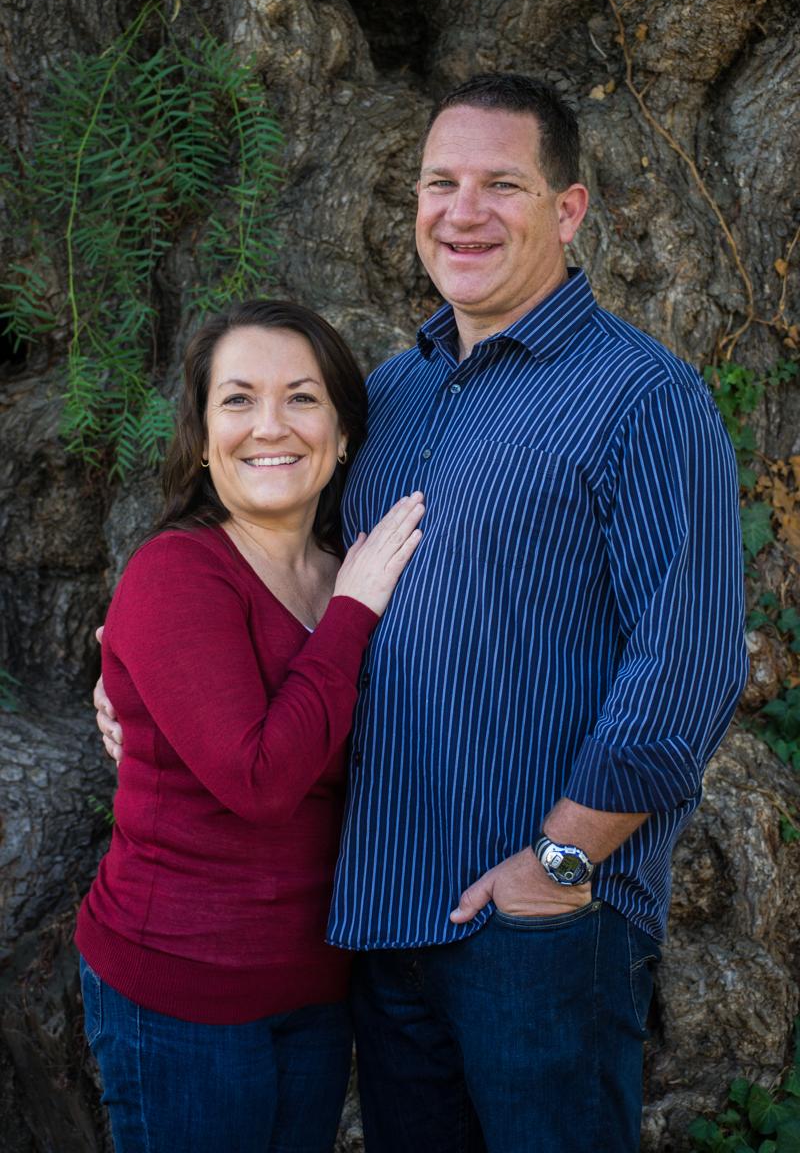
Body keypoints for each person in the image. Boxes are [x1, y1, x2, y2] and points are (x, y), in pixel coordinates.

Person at [97, 74, 748, 1152]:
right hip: (382, 912)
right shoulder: (388, 395)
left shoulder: (644, 398)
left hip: (535, 923)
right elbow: (268, 571)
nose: (463, 211)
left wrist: (561, 860)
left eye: (501, 184)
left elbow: (686, 661)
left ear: (568, 210)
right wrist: (126, 674)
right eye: (440, 182)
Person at [77, 299, 424, 1153]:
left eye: (302, 397)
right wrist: (350, 612)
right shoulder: (179, 574)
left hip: (313, 984)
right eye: (237, 399)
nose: (270, 425)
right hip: (181, 992)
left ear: (343, 435)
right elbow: (262, 780)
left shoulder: (358, 570)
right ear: (200, 436)